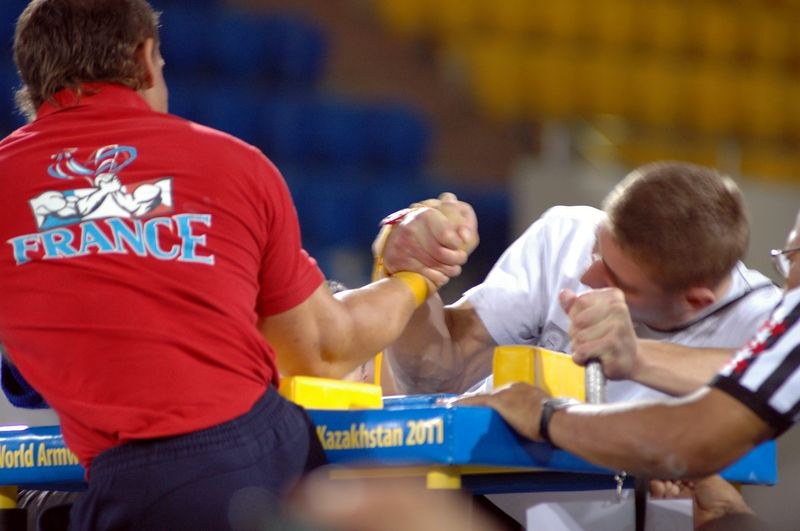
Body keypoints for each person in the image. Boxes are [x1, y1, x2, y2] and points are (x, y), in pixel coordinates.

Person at [0, 1, 477, 530]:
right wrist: (412, 279)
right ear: (145, 57)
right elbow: (324, 350)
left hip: (133, 482)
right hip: (242, 460)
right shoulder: (232, 164)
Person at [375, 161, 781, 527]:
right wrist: (414, 271)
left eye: (618, 282)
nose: (587, 276)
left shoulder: (763, 319)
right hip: (487, 506)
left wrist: (638, 358)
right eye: (596, 250)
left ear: (695, 300)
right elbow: (438, 375)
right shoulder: (565, 233)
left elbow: (762, 375)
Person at [452, 208, 800, 528]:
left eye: (792, 260)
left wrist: (546, 415)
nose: (790, 284)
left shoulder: (776, 315)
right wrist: (728, 517)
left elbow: (689, 436)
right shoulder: (563, 233)